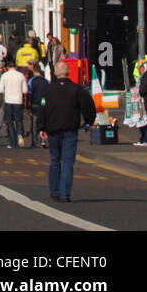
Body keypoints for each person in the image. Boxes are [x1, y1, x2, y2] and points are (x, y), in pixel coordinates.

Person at [38, 60, 97, 202]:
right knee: (68, 162)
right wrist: (88, 121)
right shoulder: (76, 89)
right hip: (70, 129)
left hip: (52, 129)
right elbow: (89, 105)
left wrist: (42, 127)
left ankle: (54, 191)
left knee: (55, 160)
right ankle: (65, 194)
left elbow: (42, 108)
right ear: (68, 73)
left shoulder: (48, 90)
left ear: (55, 73)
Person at [0, 58, 28, 148]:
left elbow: (0, 89)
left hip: (8, 101)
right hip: (18, 100)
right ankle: (19, 134)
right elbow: (25, 90)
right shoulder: (21, 75)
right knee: (18, 120)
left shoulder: (5, 76)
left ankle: (13, 142)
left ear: (7, 67)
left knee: (9, 121)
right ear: (16, 67)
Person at [27, 62, 50, 147]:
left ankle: (34, 141)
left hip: (35, 104)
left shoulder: (31, 81)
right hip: (44, 104)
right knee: (44, 123)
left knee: (34, 123)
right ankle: (43, 140)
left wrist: (28, 107)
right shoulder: (46, 81)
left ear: (34, 71)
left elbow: (29, 94)